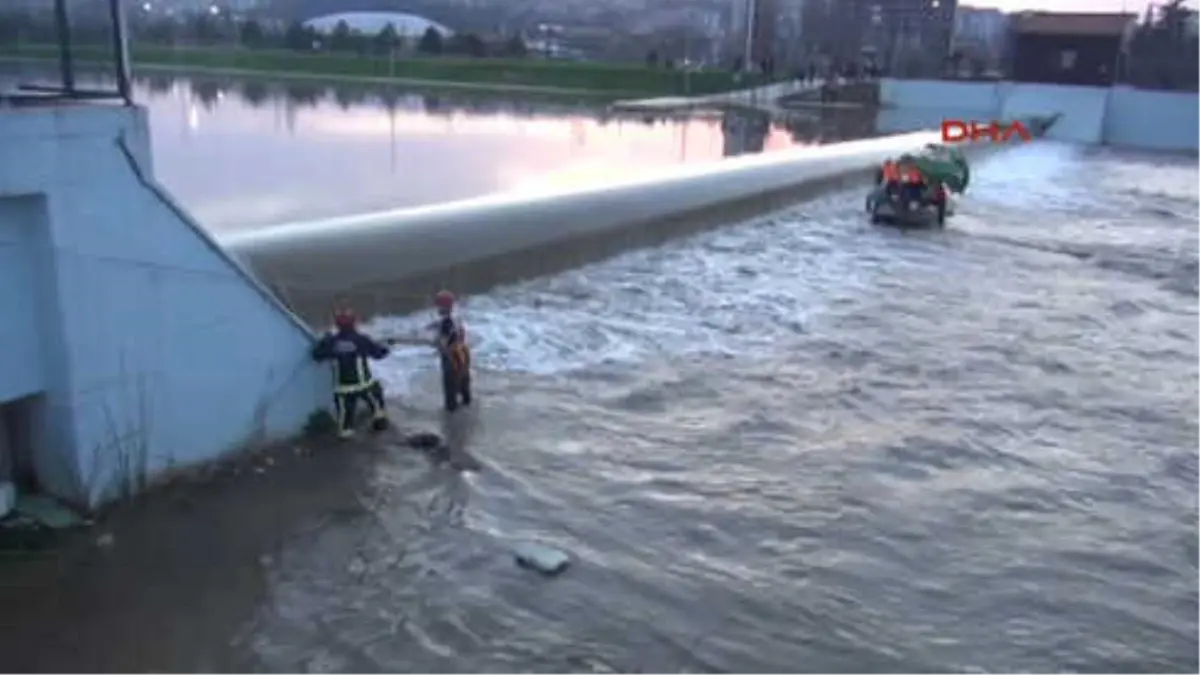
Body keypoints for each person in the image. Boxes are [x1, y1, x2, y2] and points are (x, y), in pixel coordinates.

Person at [311, 309, 390, 439]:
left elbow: (316, 355)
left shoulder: (331, 342)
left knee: (344, 426)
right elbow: (380, 354)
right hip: (364, 386)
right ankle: (379, 420)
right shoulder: (361, 339)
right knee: (377, 400)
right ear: (354, 323)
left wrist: (325, 339)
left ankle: (346, 435)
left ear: (337, 325)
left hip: (342, 389)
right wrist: (387, 346)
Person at [427, 290, 472, 412]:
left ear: (443, 307)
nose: (436, 308)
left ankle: (452, 424)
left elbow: (443, 343)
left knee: (450, 394)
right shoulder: (456, 318)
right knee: (464, 388)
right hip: (463, 356)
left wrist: (433, 343)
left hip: (451, 360)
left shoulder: (446, 324)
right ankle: (467, 410)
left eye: (438, 305)